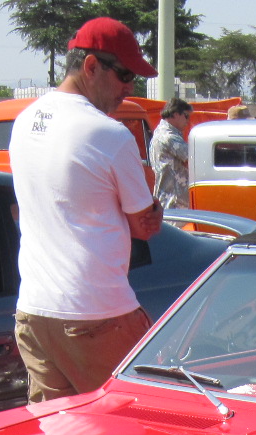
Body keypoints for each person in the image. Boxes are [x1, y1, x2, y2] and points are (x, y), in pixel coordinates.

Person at [9, 17, 163, 403]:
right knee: (134, 432)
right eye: (124, 74)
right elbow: (145, 227)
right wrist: (150, 199)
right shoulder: (109, 134)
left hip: (33, 311)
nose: (129, 87)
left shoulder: (24, 121)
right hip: (97, 314)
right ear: (91, 66)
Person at [148, 97, 191, 209]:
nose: (188, 121)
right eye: (186, 116)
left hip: (169, 200)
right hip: (173, 202)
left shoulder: (161, 132)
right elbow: (193, 158)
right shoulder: (169, 137)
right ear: (176, 114)